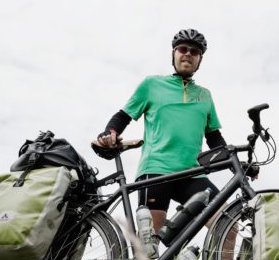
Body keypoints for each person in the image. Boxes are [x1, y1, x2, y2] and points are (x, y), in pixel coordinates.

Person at [96, 29, 226, 233]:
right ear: (174, 53)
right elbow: (123, 116)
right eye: (183, 49)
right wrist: (109, 131)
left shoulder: (205, 96)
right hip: (156, 169)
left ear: (200, 59)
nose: (188, 54)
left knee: (227, 225)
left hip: (192, 173)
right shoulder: (152, 85)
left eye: (195, 51)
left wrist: (239, 166)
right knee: (149, 244)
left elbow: (214, 137)